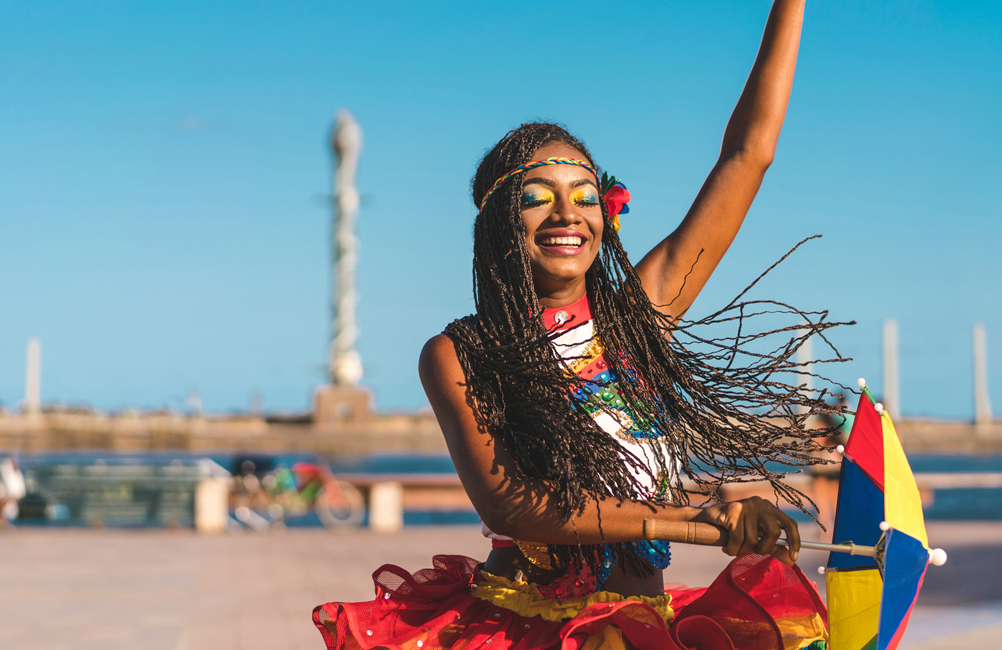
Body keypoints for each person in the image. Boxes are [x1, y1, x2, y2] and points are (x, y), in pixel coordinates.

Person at [315, 2, 848, 647]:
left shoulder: (637, 324)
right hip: (529, 629)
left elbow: (747, 155)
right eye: (538, 198)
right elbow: (515, 505)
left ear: (607, 215)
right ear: (499, 224)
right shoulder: (462, 352)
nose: (568, 214)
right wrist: (703, 521)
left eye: (585, 196)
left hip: (646, 624)